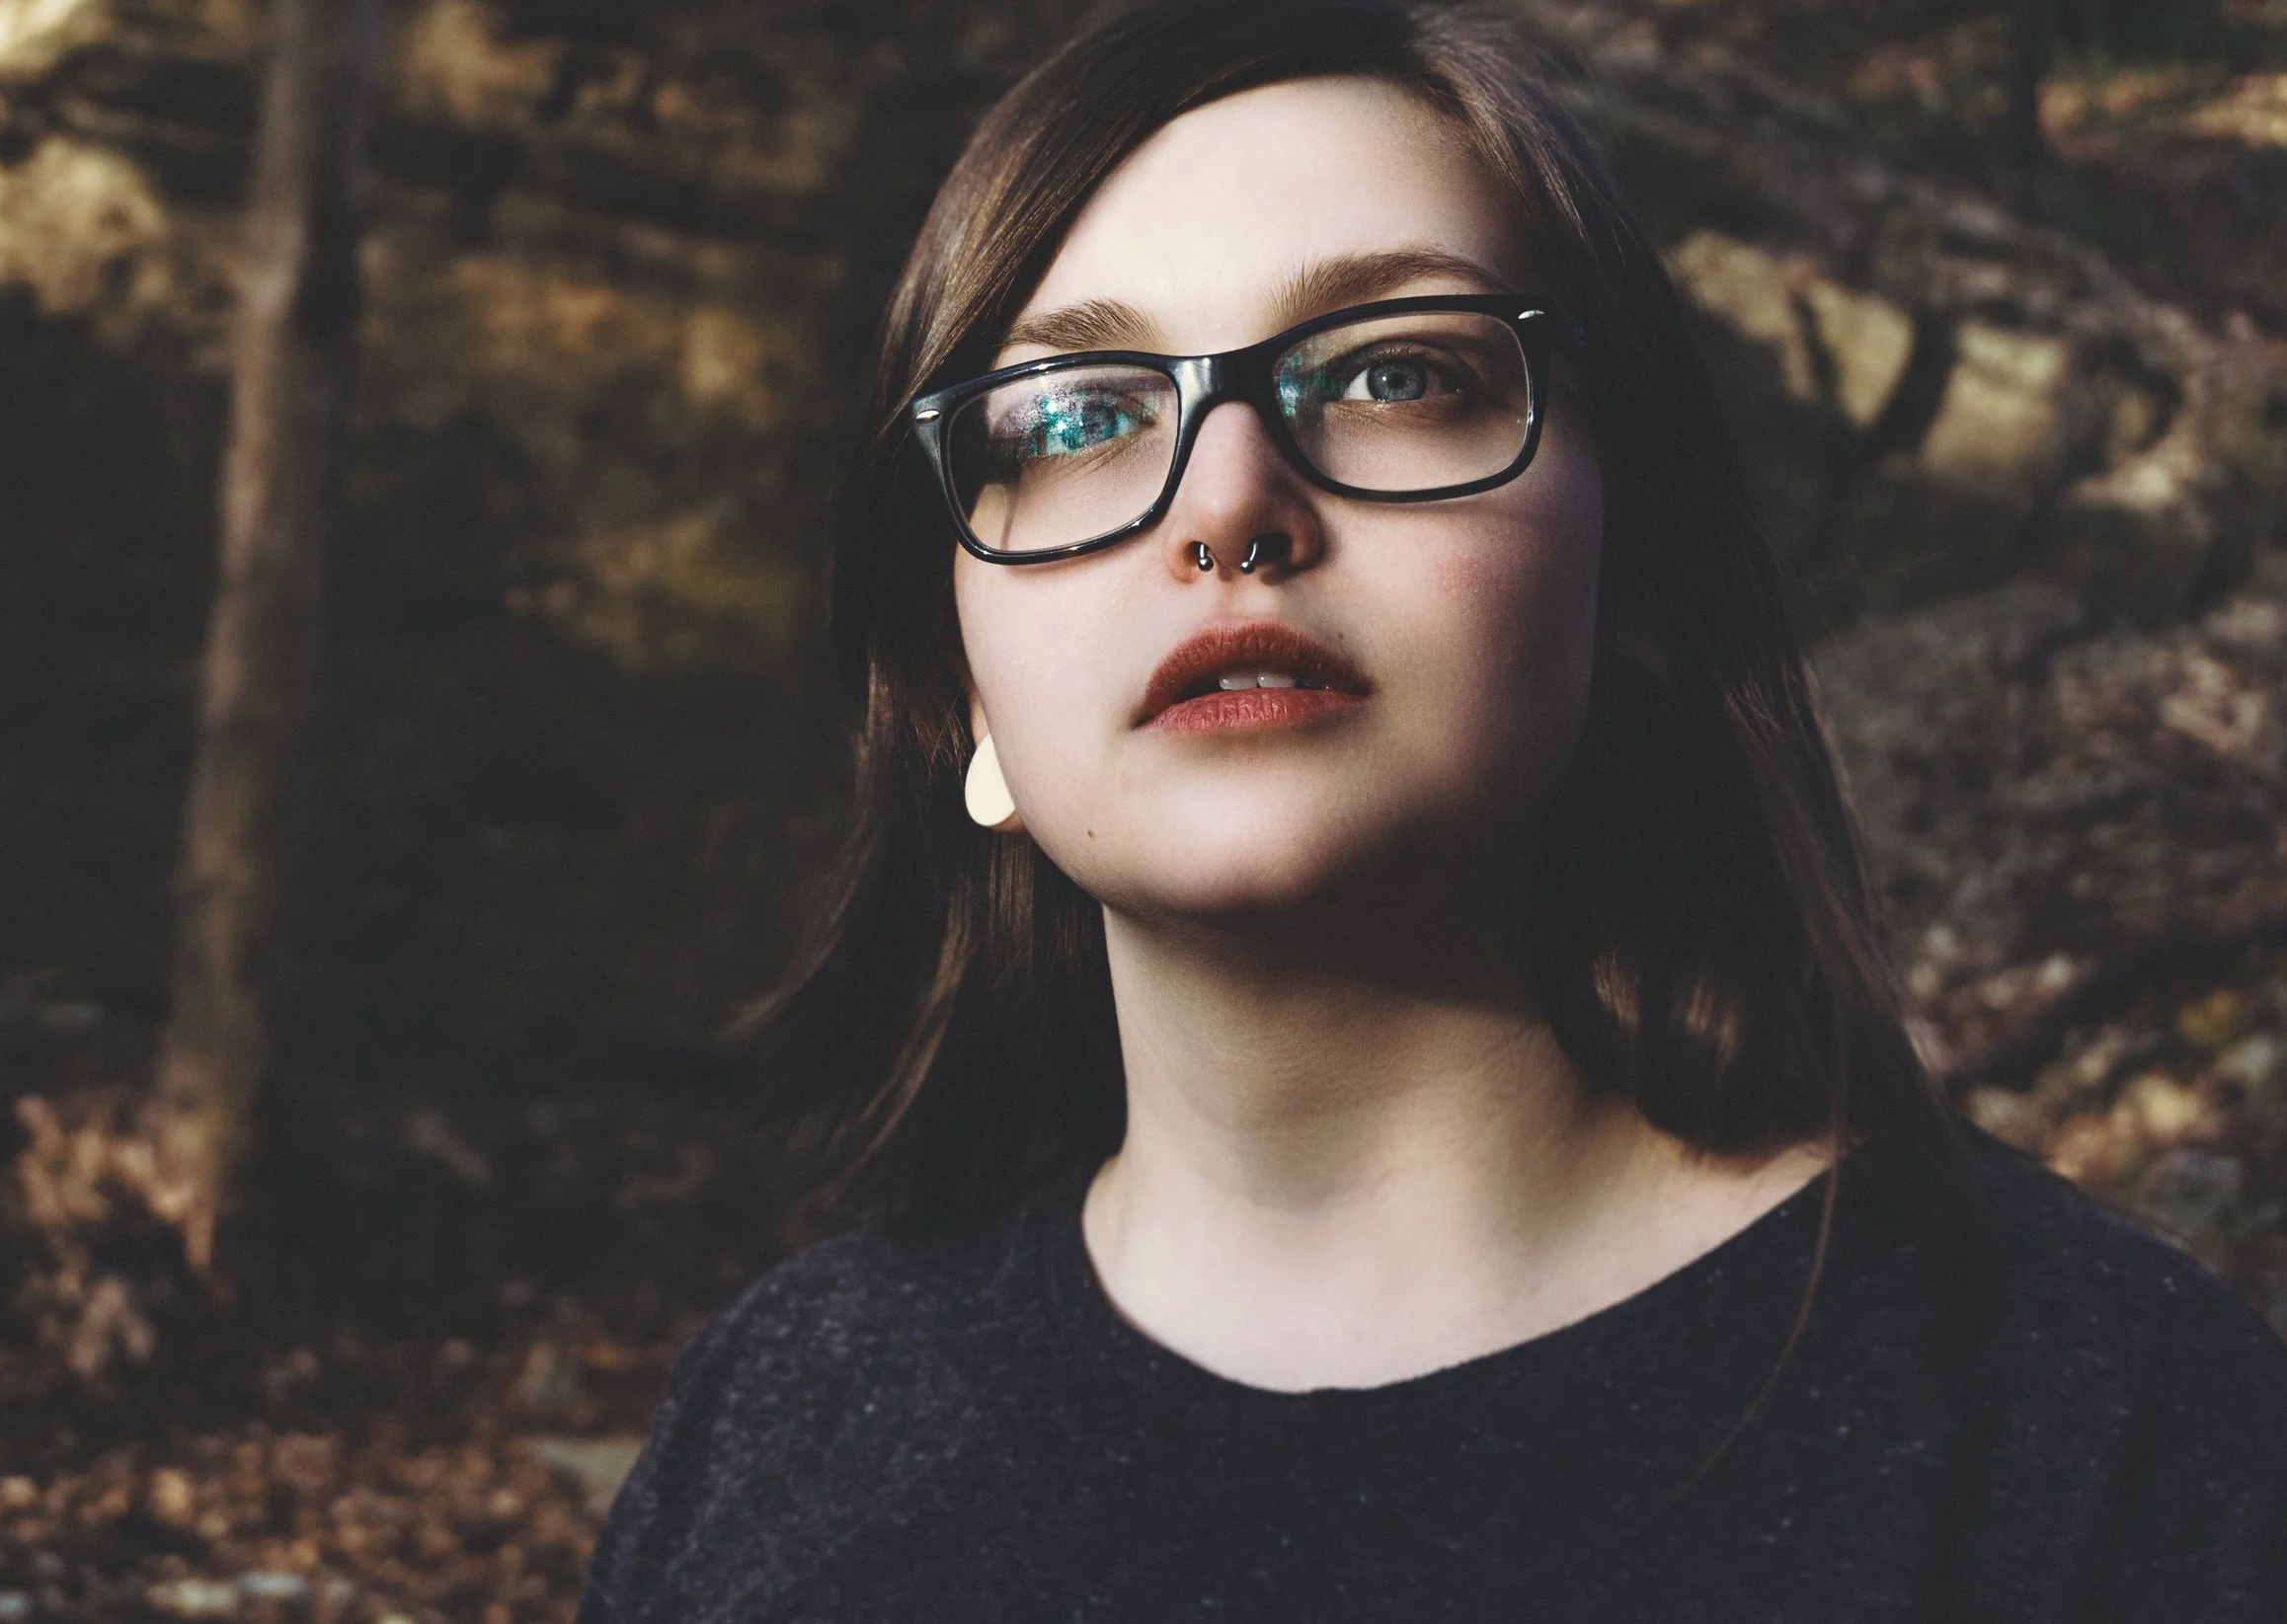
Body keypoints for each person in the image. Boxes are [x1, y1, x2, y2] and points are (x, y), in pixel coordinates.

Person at [577, 2, 2287, 1617]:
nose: (1229, 507)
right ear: (966, 705)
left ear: (1636, 596)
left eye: (1396, 374)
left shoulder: (2105, 1433)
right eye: (1080, 416)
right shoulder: (777, 1433)